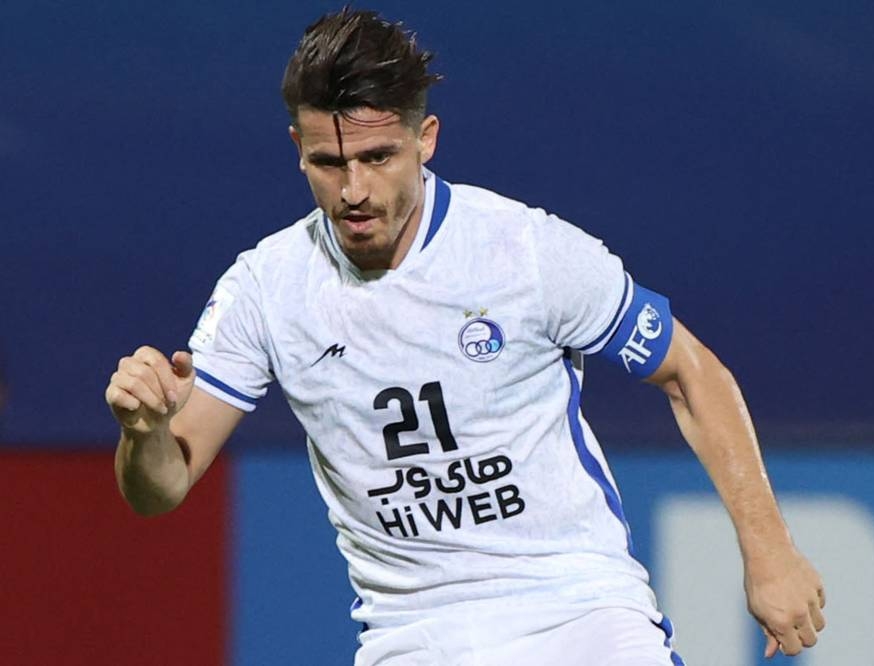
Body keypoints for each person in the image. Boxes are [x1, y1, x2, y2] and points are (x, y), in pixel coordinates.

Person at [105, 8, 825, 665]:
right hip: (415, 635)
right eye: (329, 163)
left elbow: (691, 373)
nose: (353, 190)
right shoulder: (264, 289)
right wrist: (146, 433)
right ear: (297, 146)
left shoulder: (526, 251)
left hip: (578, 610)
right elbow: (160, 490)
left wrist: (768, 548)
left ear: (426, 139)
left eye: (378, 157)